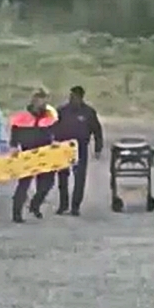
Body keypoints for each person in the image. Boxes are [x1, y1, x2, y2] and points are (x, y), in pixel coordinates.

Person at [9, 88, 59, 223]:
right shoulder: (22, 116)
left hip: (45, 153)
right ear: (34, 100)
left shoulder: (50, 116)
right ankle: (16, 213)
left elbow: (56, 132)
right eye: (39, 99)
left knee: (47, 184)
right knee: (24, 184)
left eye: (44, 99)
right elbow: (15, 131)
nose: (42, 102)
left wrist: (56, 144)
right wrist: (13, 146)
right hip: (28, 153)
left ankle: (35, 205)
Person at [53, 85, 103, 216]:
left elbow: (97, 131)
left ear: (81, 97)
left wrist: (98, 148)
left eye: (74, 97)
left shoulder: (88, 112)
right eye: (70, 96)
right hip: (63, 148)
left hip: (80, 147)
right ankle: (63, 205)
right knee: (63, 178)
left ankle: (75, 206)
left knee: (79, 178)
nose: (72, 99)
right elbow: (52, 127)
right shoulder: (62, 111)